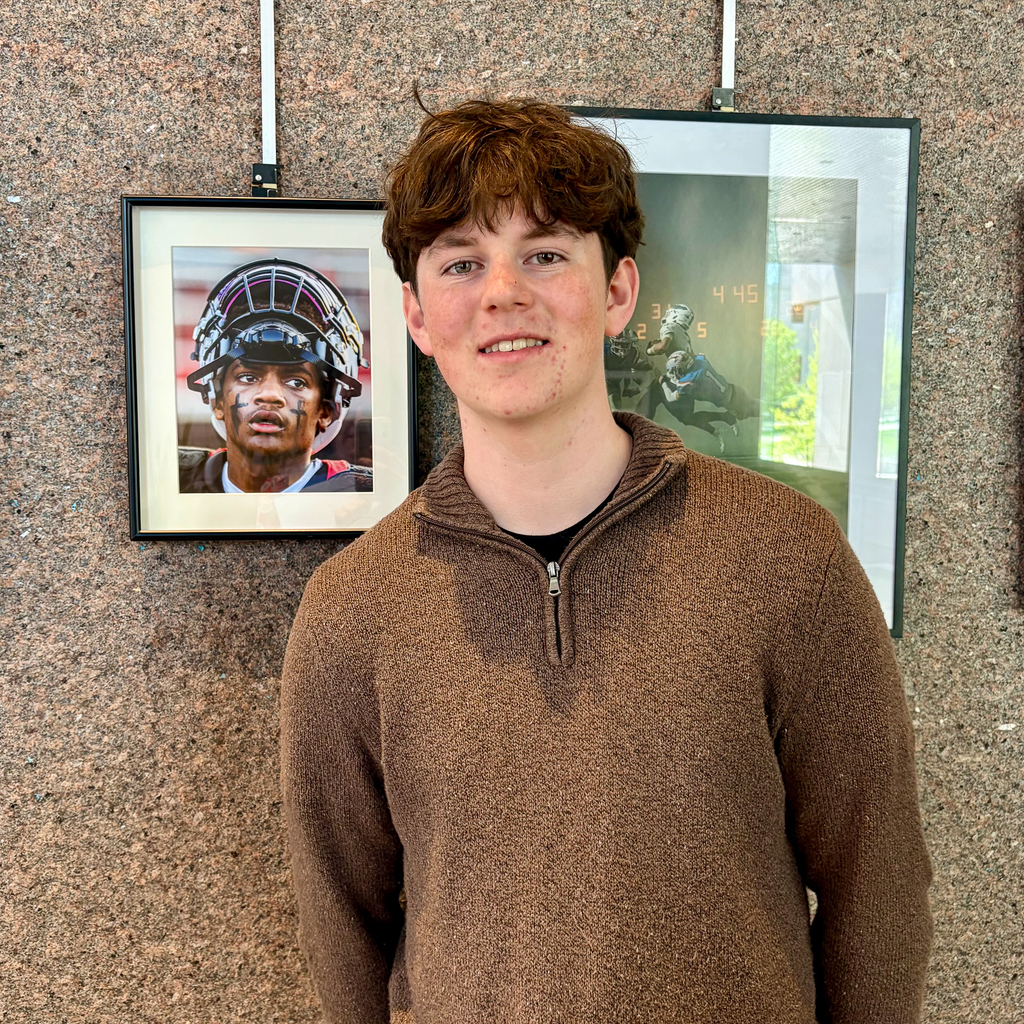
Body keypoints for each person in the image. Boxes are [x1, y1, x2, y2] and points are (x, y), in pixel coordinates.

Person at [281, 99, 932, 1024]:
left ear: (619, 292)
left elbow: (880, 878)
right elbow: (340, 921)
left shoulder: (786, 555)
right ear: (419, 317)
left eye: (546, 253)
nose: (504, 292)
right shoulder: (352, 609)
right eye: (463, 262)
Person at [179, 258, 372, 494]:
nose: (269, 395)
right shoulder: (167, 484)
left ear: (326, 409)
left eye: (296, 381)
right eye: (248, 377)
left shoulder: (363, 497)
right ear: (217, 399)